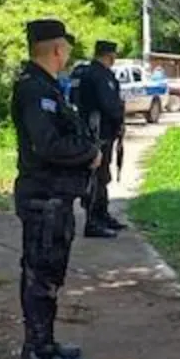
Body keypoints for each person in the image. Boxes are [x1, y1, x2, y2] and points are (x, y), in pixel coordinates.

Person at [12, 19, 102, 359]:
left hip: (53, 195)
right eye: (65, 47)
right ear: (56, 49)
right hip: (44, 196)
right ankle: (40, 353)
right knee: (42, 275)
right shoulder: (35, 90)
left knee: (45, 271)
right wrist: (88, 154)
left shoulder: (45, 85)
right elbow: (46, 144)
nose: (67, 54)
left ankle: (40, 343)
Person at [70, 40, 126, 237]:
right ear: (109, 55)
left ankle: (102, 214)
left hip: (94, 132)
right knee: (97, 177)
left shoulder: (86, 73)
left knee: (102, 176)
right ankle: (93, 221)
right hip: (98, 133)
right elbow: (109, 104)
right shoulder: (99, 75)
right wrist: (119, 117)